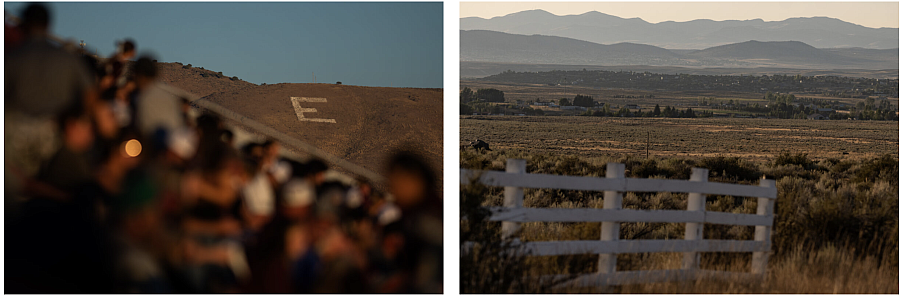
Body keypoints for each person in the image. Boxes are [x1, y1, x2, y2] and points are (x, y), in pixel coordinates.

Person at [5, 3, 97, 196]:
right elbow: (90, 96)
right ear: (48, 24)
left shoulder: (11, 58)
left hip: (14, 140)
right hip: (55, 138)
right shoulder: (67, 59)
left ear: (25, 24)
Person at [387, 150, 443, 293]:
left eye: (399, 183)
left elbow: (427, 280)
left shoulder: (429, 223)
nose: (394, 190)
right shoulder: (410, 217)